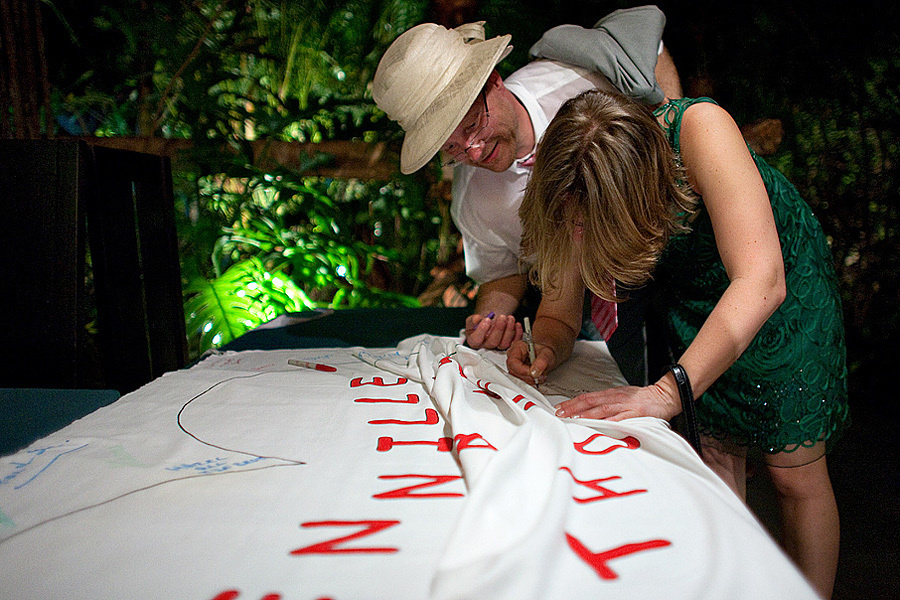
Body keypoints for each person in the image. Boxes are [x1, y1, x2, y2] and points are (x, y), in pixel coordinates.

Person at [507, 89, 850, 599]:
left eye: (593, 226)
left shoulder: (700, 131)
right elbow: (559, 310)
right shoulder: (573, 176)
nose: (581, 233)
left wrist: (667, 392)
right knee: (711, 455)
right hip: (693, 300)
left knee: (792, 474)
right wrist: (547, 349)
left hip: (779, 285)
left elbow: (761, 280)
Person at [372, 6, 683, 385]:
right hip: (574, 302)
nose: (472, 152)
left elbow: (653, 48)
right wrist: (489, 321)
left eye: (474, 125)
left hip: (675, 251)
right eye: (451, 148)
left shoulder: (582, 81)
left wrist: (671, 133)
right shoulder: (473, 197)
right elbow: (503, 271)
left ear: (495, 82)